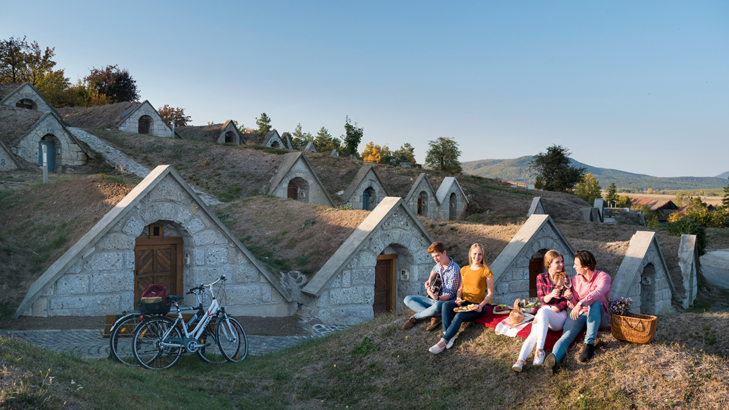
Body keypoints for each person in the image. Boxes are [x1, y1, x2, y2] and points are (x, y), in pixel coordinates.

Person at [544, 250, 611, 371]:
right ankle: (554, 359)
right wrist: (570, 298)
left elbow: (598, 293)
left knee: (594, 303)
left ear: (586, 267)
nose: (573, 266)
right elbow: (573, 304)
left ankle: (589, 343)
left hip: (599, 317)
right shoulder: (575, 279)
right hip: (580, 315)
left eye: (576, 264)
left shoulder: (604, 277)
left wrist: (580, 303)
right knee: (566, 336)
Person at [429, 243, 494, 354]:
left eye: (480, 254)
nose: (477, 257)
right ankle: (448, 334)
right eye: (474, 254)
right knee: (445, 304)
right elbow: (460, 288)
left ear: (483, 256)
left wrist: (481, 305)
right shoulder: (464, 270)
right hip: (464, 303)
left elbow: (490, 294)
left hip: (476, 306)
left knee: (459, 315)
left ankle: (443, 341)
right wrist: (458, 298)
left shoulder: (487, 272)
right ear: (470, 254)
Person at [512, 250, 570, 372]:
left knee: (542, 312)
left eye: (562, 262)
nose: (561, 264)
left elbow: (564, 303)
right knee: (533, 333)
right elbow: (541, 299)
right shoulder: (541, 277)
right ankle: (520, 361)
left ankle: (540, 350)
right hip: (545, 313)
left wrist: (546, 311)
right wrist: (551, 295)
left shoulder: (565, 278)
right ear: (549, 264)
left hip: (559, 317)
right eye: (557, 262)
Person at [402, 241, 460, 331]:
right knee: (407, 299)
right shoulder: (439, 264)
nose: (436, 259)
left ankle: (416, 317)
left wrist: (436, 297)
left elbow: (450, 295)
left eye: (437, 255)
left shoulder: (454, 270)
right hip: (434, 300)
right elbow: (434, 270)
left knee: (437, 306)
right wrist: (430, 280)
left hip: (445, 303)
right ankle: (435, 315)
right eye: (433, 257)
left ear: (444, 252)